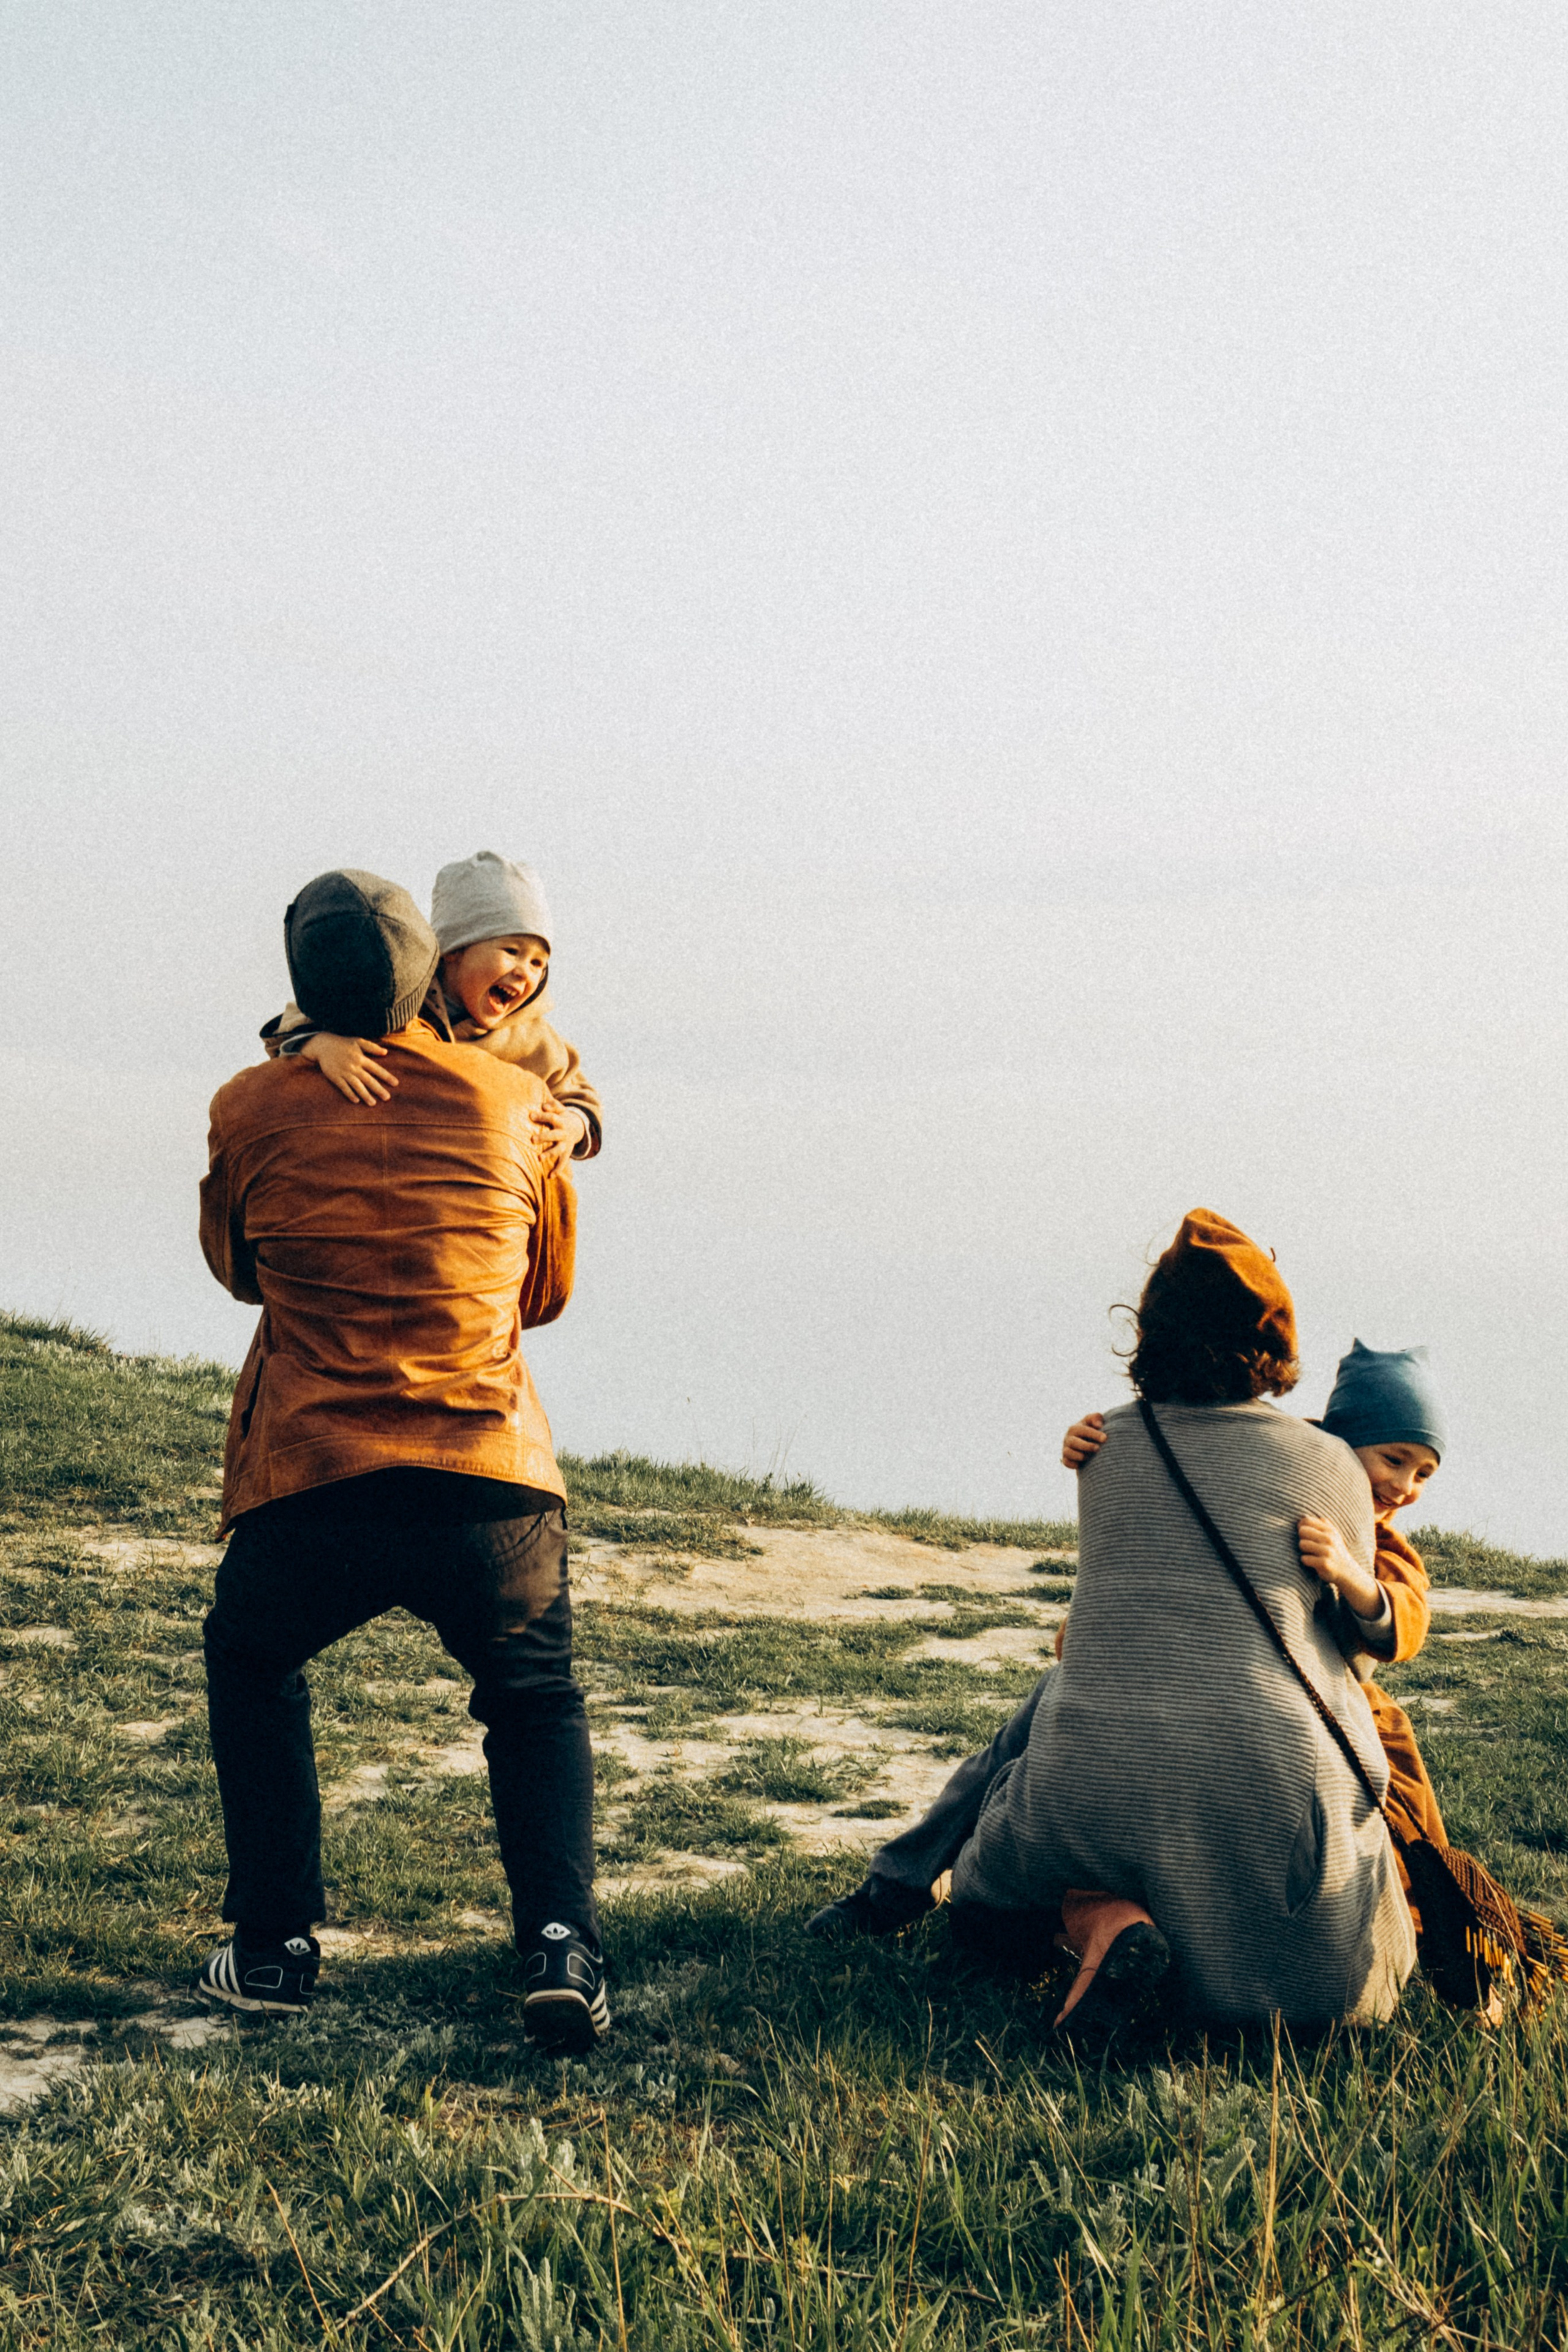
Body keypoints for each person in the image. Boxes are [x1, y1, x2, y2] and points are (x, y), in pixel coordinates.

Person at [810, 1210, 1417, 2035]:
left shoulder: (1101, 1450)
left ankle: (1091, 1922)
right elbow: (1357, 1668)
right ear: (1273, 1340)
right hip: (1286, 1875)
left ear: (1149, 1331)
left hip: (1088, 1778)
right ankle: (1149, 1936)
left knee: (989, 1905)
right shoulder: (1333, 1468)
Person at [195, 869, 607, 2050]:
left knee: (252, 1657)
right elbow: (547, 1293)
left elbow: (239, 1269)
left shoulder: (249, 1105)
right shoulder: (513, 1106)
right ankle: (560, 1947)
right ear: (432, 973)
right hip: (487, 1470)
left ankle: (272, 1948)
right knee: (533, 1697)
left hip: (317, 1470)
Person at [1062, 1338, 1450, 1905]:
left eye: (1424, 1474)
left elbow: (1406, 1620)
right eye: (1393, 1460)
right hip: (1225, 1676)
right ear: (1342, 1445)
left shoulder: (1384, 1544)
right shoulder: (1282, 1475)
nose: (1405, 1488)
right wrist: (1094, 1445)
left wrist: (1352, 1577)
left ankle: (1430, 1913)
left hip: (1338, 1699)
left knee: (1398, 1800)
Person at [262, 849, 602, 1178]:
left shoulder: (533, 1037)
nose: (525, 972)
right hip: (396, 1156)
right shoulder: (406, 996)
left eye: (538, 963)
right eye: (512, 952)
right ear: (454, 951)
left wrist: (573, 1124)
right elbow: (293, 1023)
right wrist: (321, 1045)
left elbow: (576, 1093)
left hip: (478, 1172)